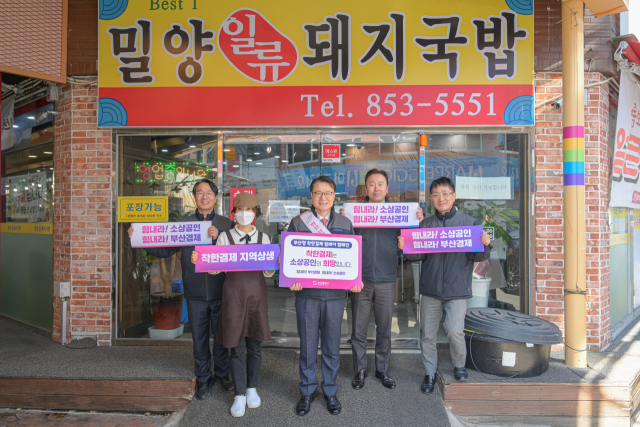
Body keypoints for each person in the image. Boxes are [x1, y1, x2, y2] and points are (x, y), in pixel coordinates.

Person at [128, 179, 234, 400]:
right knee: (199, 339)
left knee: (222, 338)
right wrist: (139, 239)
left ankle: (223, 374)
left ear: (216, 197)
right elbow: (166, 248)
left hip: (222, 291)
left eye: (209, 193)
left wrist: (219, 238)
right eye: (199, 193)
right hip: (195, 292)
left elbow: (238, 254)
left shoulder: (227, 224)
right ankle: (203, 378)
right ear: (194, 197)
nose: (204, 197)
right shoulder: (184, 225)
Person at [398, 177, 491, 395]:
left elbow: (478, 256)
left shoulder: (468, 223)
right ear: (431, 199)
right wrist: (406, 247)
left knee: (454, 331)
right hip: (430, 289)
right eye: (436, 195)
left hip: (457, 289)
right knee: (427, 335)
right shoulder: (426, 225)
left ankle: (459, 365)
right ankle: (429, 372)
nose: (441, 198)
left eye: (445, 194)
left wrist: (486, 244)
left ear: (454, 196)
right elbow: (417, 256)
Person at [340, 169, 423, 390]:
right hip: (360, 280)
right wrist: (342, 219)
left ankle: (382, 369)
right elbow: (342, 242)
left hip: (387, 278)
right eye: (371, 184)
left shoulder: (400, 213)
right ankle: (360, 369)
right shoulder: (354, 213)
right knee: (358, 329)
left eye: (380, 184)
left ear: (387, 188)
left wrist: (418, 222)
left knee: (384, 328)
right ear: (365, 188)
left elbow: (414, 246)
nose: (376, 188)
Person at [192, 193, 273, 417]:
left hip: (256, 297)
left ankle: (252, 388)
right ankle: (239, 394)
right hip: (233, 296)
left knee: (255, 345)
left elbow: (268, 272)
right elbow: (216, 268)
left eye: (249, 209)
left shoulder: (264, 238)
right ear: (234, 213)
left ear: (255, 213)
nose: (244, 213)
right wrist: (202, 260)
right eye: (240, 210)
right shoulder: (225, 237)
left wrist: (273, 263)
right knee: (235, 346)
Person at [287, 175, 362, 417]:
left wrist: (355, 279)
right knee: (308, 347)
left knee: (331, 347)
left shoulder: (345, 223)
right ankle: (307, 391)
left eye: (328, 193)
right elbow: (288, 257)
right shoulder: (298, 222)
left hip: (335, 297)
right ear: (311, 196)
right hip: (306, 296)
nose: (323, 198)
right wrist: (291, 278)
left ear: (334, 196)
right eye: (318, 193)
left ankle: (330, 390)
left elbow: (352, 257)